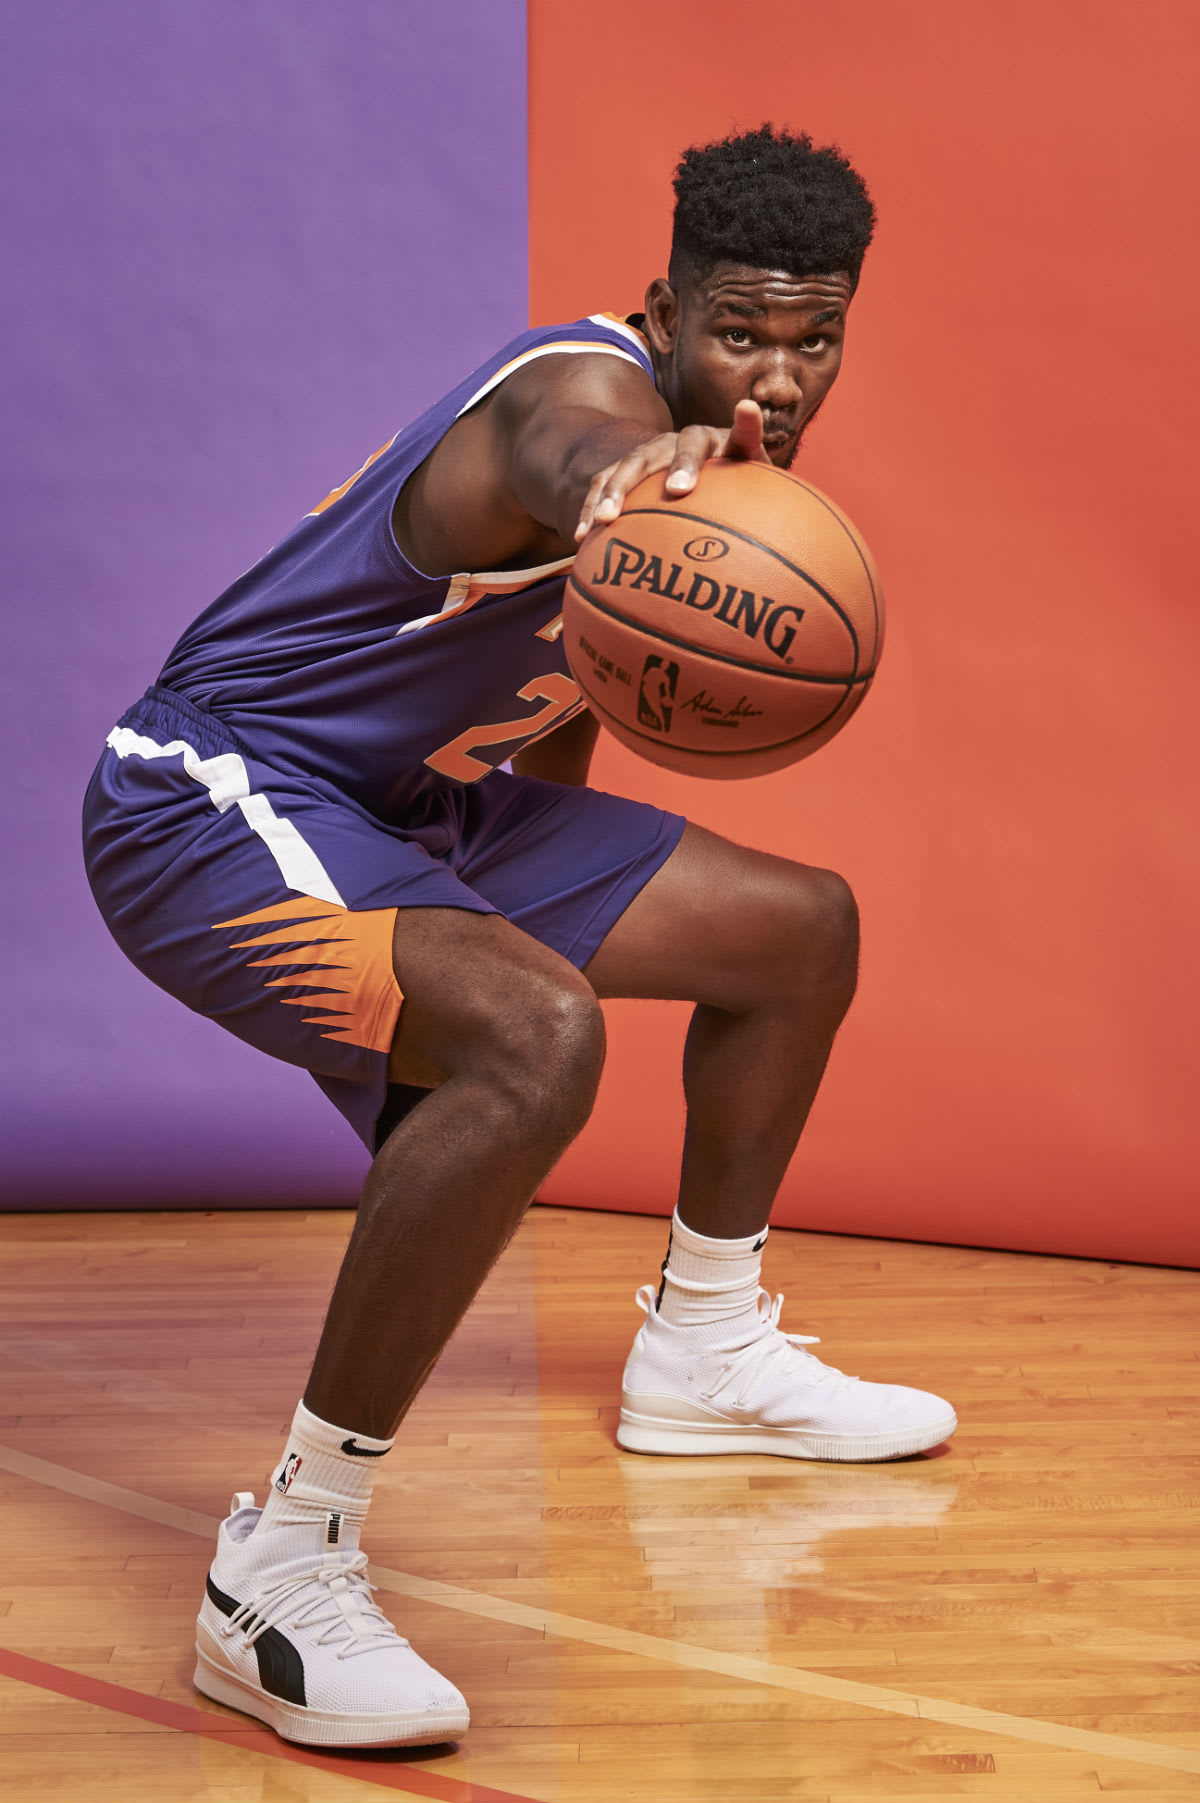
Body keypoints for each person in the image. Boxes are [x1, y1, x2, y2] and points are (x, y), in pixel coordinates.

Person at [82, 125, 956, 1750]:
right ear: (664, 309)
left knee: (798, 932)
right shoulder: (583, 412)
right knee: (541, 1036)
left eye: (812, 337)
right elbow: (558, 451)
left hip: (410, 805)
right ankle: (281, 1564)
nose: (773, 378)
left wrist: (524, 861)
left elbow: (560, 702)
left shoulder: (718, 484)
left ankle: (702, 1353)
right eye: (737, 333)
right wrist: (614, 482)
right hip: (205, 793)